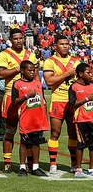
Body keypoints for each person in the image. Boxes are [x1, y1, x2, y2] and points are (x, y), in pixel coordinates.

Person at [0, 28, 37, 173]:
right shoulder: (5, 54)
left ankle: (31, 164)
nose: (19, 41)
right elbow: (0, 74)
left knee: (30, 132)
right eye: (16, 39)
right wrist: (17, 69)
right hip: (11, 96)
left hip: (30, 97)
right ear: (10, 40)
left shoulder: (30, 54)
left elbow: (36, 75)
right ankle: (7, 162)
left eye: (21, 38)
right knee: (10, 132)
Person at [42, 35, 80, 173]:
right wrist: (67, 73)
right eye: (62, 44)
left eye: (67, 44)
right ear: (55, 46)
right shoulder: (50, 62)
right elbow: (49, 81)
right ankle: (53, 164)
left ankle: (74, 163)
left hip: (73, 102)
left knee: (73, 134)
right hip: (58, 100)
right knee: (55, 133)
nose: (65, 46)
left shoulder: (76, 61)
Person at [11, 60, 48, 177]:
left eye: (34, 70)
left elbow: (43, 101)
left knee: (36, 143)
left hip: (38, 119)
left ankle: (35, 166)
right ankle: (22, 167)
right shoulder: (17, 84)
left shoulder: (38, 83)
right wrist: (27, 96)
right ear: (22, 71)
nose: (32, 72)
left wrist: (44, 117)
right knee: (24, 143)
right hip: (26, 118)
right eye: (29, 70)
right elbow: (15, 101)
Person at [68, 63, 93, 177]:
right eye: (88, 72)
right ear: (80, 74)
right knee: (81, 144)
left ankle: (91, 169)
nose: (91, 74)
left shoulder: (92, 85)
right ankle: (78, 168)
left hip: (92, 119)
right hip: (81, 119)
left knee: (92, 145)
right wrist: (87, 98)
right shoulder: (74, 87)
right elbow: (73, 104)